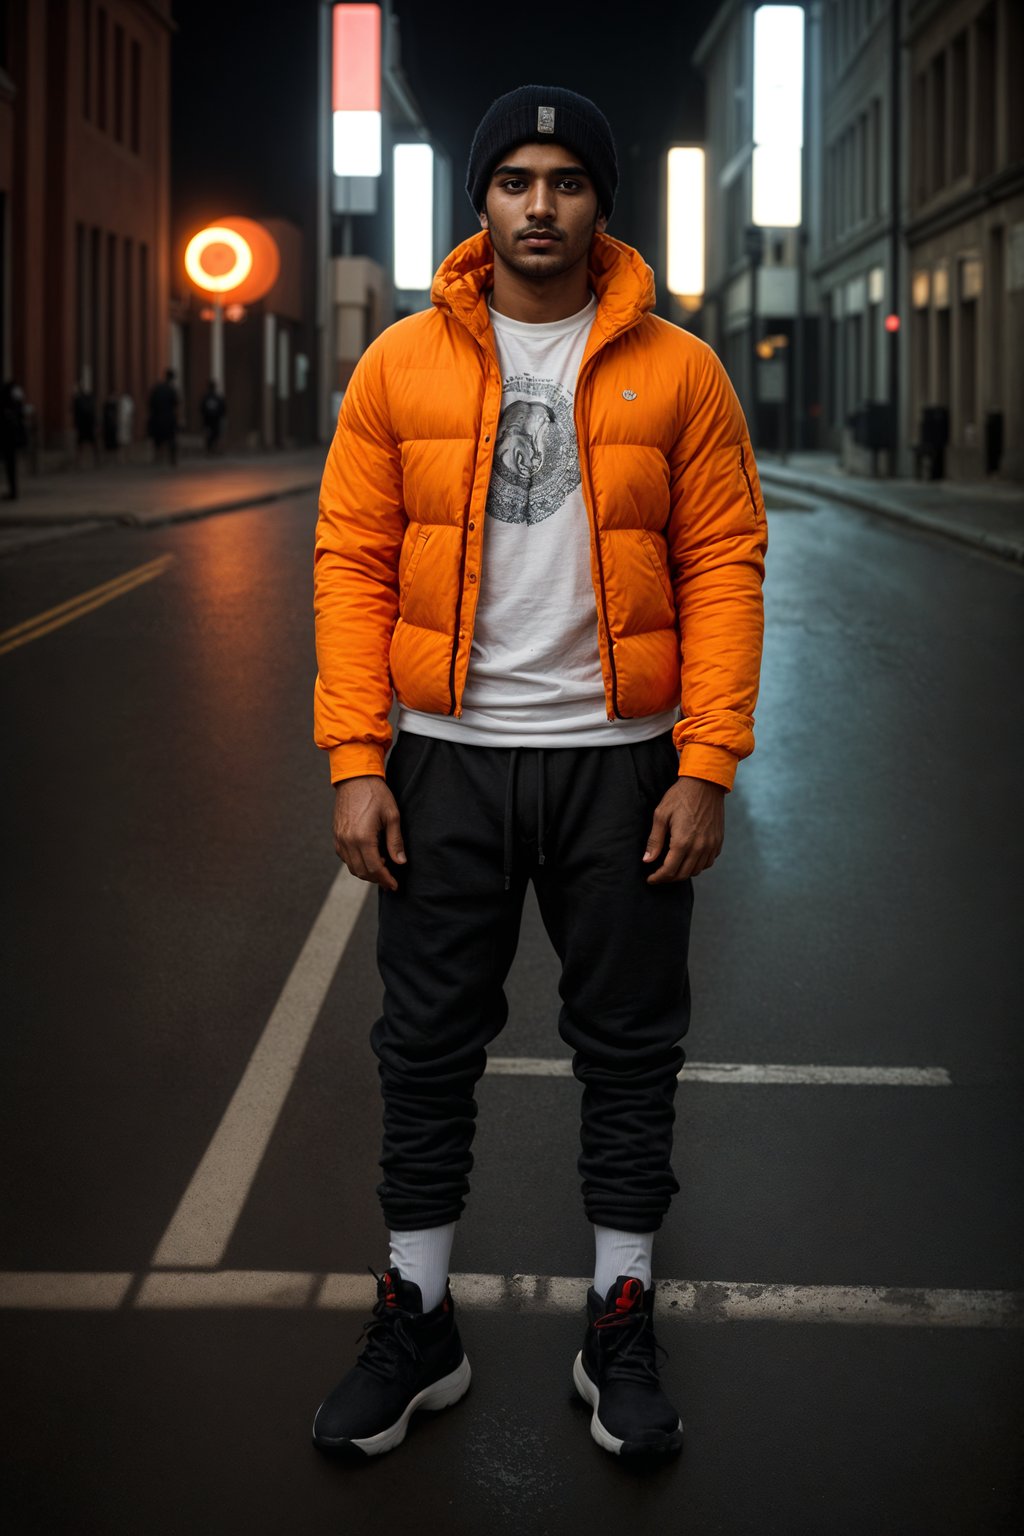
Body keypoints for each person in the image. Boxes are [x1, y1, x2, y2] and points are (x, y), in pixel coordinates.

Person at [311, 84, 767, 1463]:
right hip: (445, 762)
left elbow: (724, 563)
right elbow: (351, 562)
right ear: (481, 200)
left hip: (622, 770)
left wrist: (707, 762)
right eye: (514, 178)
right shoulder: (398, 364)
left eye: (567, 180)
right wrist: (353, 757)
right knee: (425, 1049)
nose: (540, 204)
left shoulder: (681, 371)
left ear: (600, 203)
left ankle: (618, 1319)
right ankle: (420, 1319)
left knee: (629, 1051)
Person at [147, 368, 179, 465]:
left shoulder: (157, 388)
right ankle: (171, 459)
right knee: (171, 439)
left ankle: (158, 457)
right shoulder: (171, 390)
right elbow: (176, 405)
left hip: (157, 417)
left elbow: (150, 403)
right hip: (168, 417)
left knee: (157, 439)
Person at [0, 381, 27, 499]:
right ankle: (14, 491)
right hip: (14, 439)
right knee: (12, 466)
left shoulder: (9, 406)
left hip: (10, 439)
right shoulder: (14, 401)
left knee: (11, 466)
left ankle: (14, 491)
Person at [72, 381, 99, 466]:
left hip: (86, 425)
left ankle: (89, 461)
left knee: (87, 444)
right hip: (84, 425)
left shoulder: (86, 399)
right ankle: (80, 462)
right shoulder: (81, 399)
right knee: (83, 444)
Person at [200, 380, 226, 454]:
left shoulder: (205, 397)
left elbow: (202, 409)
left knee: (209, 435)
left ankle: (209, 449)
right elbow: (223, 409)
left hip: (207, 420)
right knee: (216, 435)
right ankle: (214, 449)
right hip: (215, 420)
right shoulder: (218, 397)